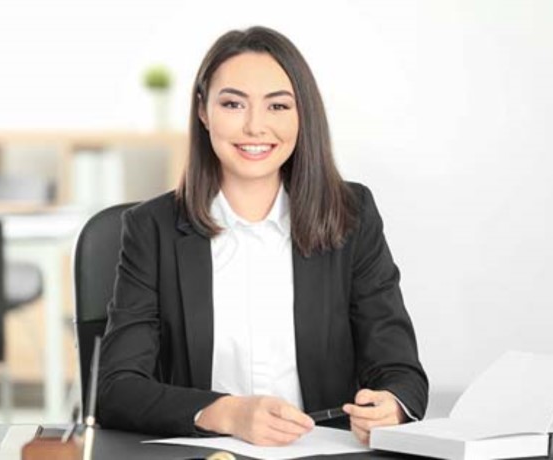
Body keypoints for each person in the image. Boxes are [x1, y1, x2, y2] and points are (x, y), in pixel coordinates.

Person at [97, 25, 428, 446]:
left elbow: (401, 370)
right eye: (233, 104)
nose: (256, 127)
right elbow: (116, 388)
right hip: (208, 452)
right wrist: (228, 412)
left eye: (278, 106)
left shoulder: (352, 214)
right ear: (203, 111)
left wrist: (392, 405)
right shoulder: (152, 228)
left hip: (324, 451)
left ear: (301, 114)